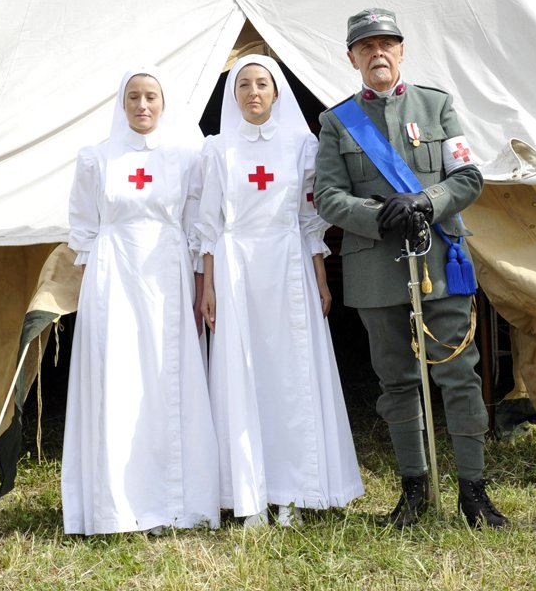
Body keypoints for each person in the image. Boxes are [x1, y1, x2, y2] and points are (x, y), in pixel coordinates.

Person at [314, 9, 508, 529]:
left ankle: (474, 492)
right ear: (351, 57)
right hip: (375, 268)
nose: (378, 53)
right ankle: (414, 492)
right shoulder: (335, 122)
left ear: (402, 51)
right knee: (396, 383)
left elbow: (467, 176)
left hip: (440, 258)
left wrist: (424, 201)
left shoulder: (437, 106)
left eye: (387, 44)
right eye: (366, 46)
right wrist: (380, 216)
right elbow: (328, 197)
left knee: (459, 377)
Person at [197, 54, 364, 527]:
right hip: (235, 270)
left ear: (276, 92)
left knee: (291, 377)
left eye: (262, 84)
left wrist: (318, 274)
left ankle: (292, 490)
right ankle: (250, 494)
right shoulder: (217, 150)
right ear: (234, 95)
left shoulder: (300, 145)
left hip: (288, 266)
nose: (253, 92)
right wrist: (208, 286)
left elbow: (309, 218)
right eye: (244, 84)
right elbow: (208, 225)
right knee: (242, 375)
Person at [61, 67, 219, 535]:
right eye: (134, 97)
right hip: (114, 279)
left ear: (164, 103)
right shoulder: (96, 159)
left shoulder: (185, 158)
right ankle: (116, 505)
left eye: (151, 96)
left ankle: (175, 503)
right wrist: (92, 296)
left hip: (167, 279)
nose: (143, 105)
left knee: (165, 380)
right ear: (122, 103)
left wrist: (198, 287)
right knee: (119, 380)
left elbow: (196, 228)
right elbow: (84, 231)